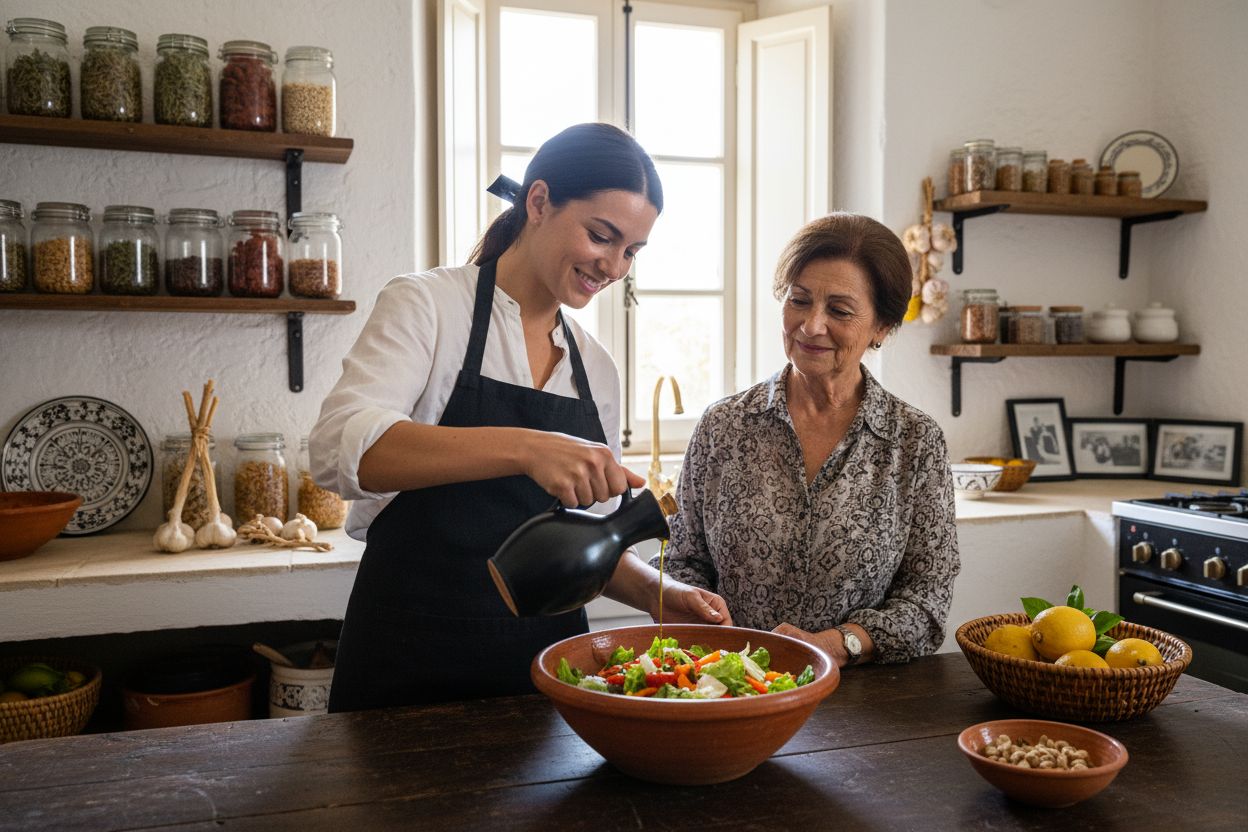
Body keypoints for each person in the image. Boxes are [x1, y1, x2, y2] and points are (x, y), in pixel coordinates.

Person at [311, 123, 730, 711]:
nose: (614, 266)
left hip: (546, 673)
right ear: (538, 202)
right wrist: (528, 448)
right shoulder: (430, 306)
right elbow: (337, 451)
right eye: (601, 236)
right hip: (407, 658)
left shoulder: (595, 368)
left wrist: (663, 594)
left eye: (631, 251)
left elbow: (596, 543)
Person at [655, 213, 960, 668]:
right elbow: (681, 563)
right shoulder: (724, 427)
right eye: (799, 300)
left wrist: (838, 644)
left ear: (881, 326)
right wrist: (706, 627)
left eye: (839, 310)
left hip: (862, 698)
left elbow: (927, 600)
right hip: (731, 686)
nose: (812, 325)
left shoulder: (914, 442)